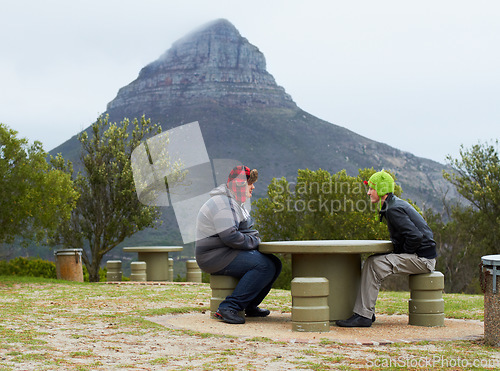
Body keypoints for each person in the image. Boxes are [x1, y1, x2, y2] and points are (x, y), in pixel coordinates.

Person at [336, 170, 437, 328]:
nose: (368, 192)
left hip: (423, 260)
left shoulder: (392, 209)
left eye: (371, 188)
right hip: (422, 256)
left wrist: (402, 253)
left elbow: (415, 236)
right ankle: (366, 312)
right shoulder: (393, 204)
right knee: (372, 261)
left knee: (374, 265)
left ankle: (363, 315)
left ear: (382, 189)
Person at [195, 165, 282, 324]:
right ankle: (228, 307)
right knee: (264, 266)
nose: (253, 187)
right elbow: (231, 236)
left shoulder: (233, 202)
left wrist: (253, 240)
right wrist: (255, 242)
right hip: (214, 256)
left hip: (224, 252)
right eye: (250, 183)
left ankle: (249, 305)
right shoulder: (223, 203)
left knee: (275, 263)